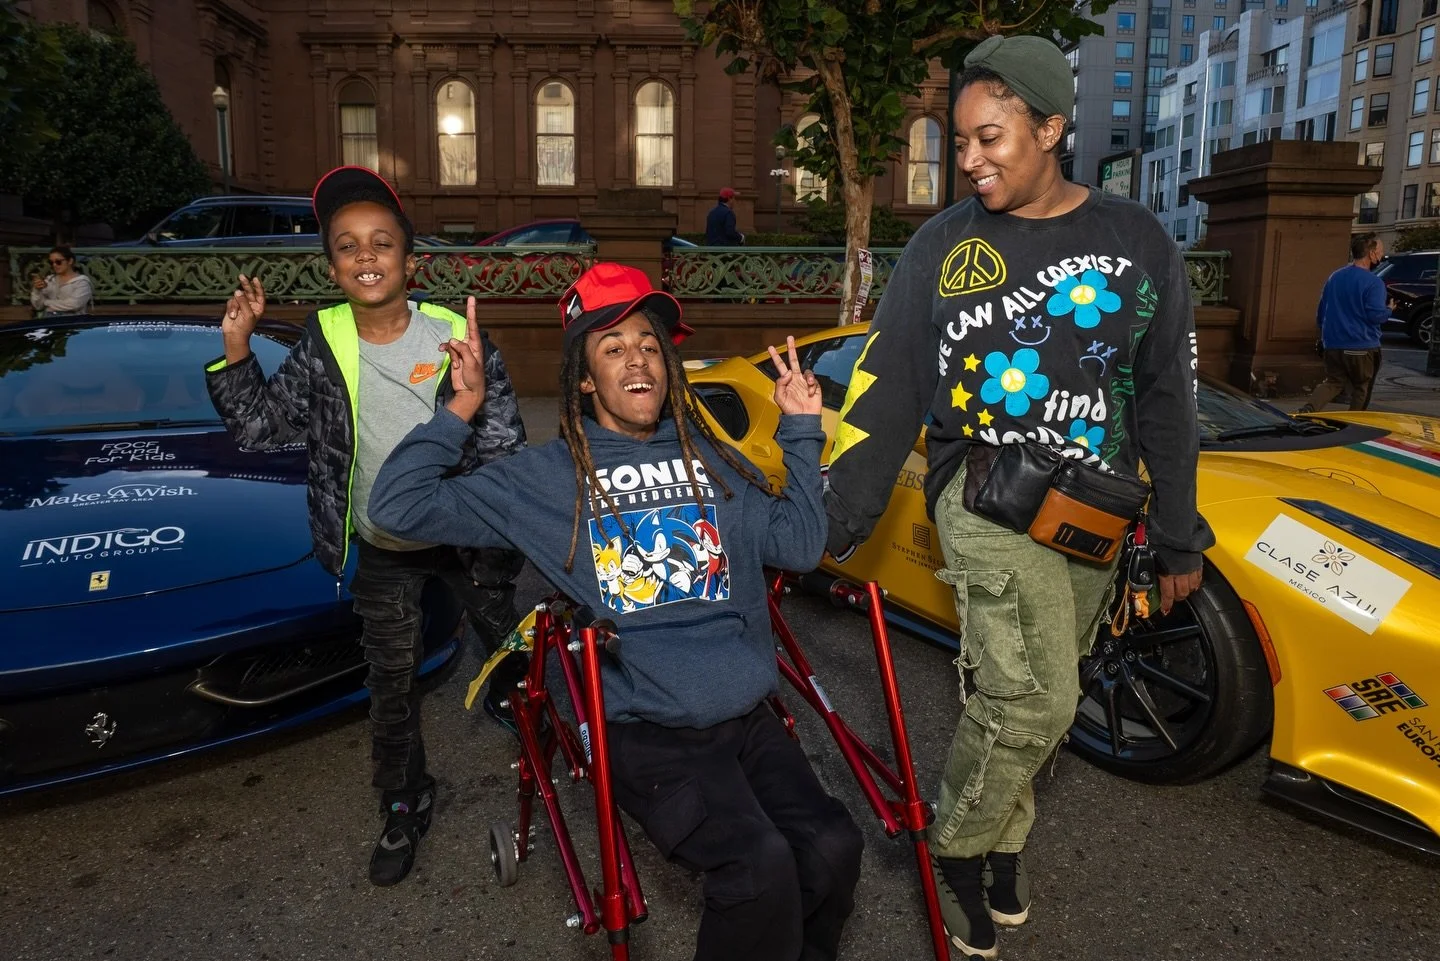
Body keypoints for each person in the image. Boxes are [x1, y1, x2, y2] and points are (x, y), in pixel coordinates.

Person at [820, 35, 1213, 961]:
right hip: (984, 496)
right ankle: (954, 846)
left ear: (1052, 127)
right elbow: (887, 384)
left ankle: (1004, 842)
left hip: (1095, 509)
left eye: (990, 137)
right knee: (1033, 698)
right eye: (961, 141)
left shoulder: (1138, 241)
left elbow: (1168, 400)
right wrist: (834, 518)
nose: (969, 160)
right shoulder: (944, 245)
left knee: (1036, 692)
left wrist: (1179, 536)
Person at [369, 262, 864, 961]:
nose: (637, 356)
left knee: (834, 845)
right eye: (612, 346)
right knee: (757, 868)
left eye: (650, 343)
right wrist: (460, 408)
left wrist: (803, 430)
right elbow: (396, 507)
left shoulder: (713, 459)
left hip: (745, 716)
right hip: (643, 725)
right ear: (583, 378)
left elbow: (803, 544)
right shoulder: (547, 477)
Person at [203, 165, 529, 888]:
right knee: (390, 681)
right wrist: (237, 350)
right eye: (348, 246)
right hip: (381, 544)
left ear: (410, 261)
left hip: (464, 538)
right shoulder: (321, 339)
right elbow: (261, 429)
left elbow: (504, 440)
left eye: (382, 241)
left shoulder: (454, 332)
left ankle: (547, 742)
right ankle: (405, 798)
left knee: (510, 648)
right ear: (333, 267)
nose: (366, 254)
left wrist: (503, 515)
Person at [1298, 232, 1391, 413]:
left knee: (1333, 382)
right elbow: (1375, 316)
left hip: (1333, 344)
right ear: (1371, 254)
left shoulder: (1335, 277)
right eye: (1380, 251)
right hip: (1362, 346)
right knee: (1361, 387)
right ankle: (1354, 423)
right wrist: (1389, 310)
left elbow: (1321, 312)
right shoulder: (1374, 283)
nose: (1382, 255)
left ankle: (1309, 409)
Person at [30, 246, 93, 316]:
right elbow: (38, 306)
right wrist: (37, 290)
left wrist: (46, 303)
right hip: (49, 321)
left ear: (70, 261)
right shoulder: (49, 280)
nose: (54, 265)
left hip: (72, 323)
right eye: (51, 262)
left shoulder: (82, 282)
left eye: (58, 262)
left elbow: (74, 304)